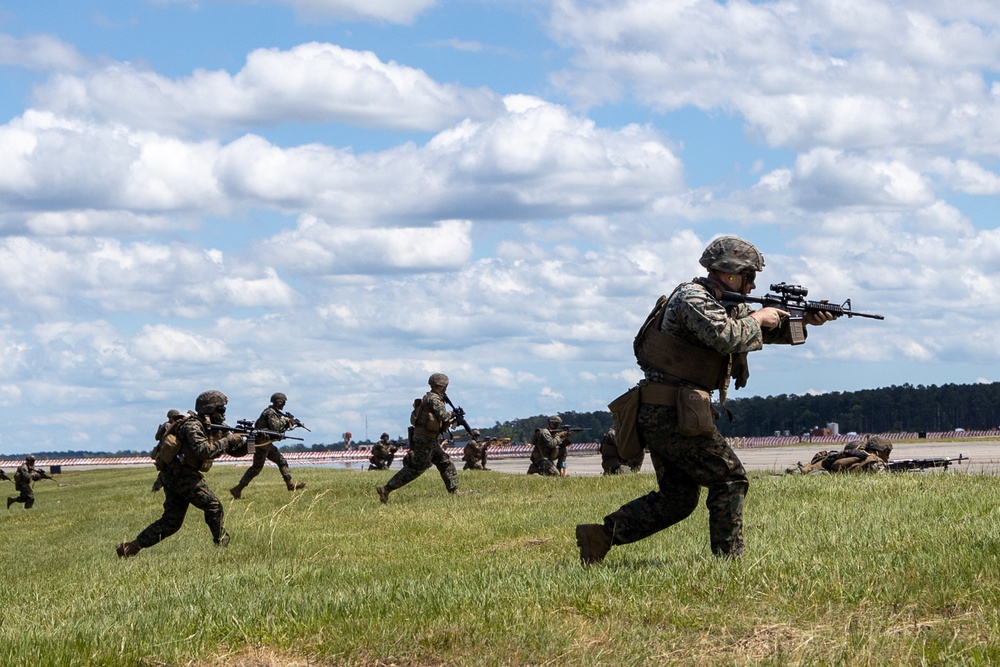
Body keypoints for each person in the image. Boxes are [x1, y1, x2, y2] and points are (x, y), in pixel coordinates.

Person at [576, 236, 836, 564]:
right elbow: (728, 336)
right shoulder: (692, 298)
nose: (751, 283)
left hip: (671, 411)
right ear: (729, 273)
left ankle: (599, 536)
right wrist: (759, 317)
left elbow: (764, 333)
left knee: (677, 499)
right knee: (729, 478)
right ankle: (729, 563)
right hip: (672, 412)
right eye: (748, 276)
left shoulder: (721, 303)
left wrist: (803, 319)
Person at [116, 390, 248, 558]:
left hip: (177, 474)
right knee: (212, 505)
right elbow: (203, 451)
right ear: (210, 409)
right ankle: (222, 544)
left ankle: (130, 548)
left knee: (172, 522)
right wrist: (228, 440)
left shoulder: (215, 428)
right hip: (180, 473)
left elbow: (235, 452)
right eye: (221, 410)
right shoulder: (193, 425)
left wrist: (254, 442)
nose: (223, 414)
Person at [376, 373, 460, 503]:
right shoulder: (434, 399)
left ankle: (454, 491)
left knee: (445, 462)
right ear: (441, 386)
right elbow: (443, 415)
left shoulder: (429, 398)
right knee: (416, 468)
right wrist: (452, 414)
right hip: (425, 438)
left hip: (428, 438)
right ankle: (386, 489)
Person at [230, 392, 306, 499]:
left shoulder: (275, 413)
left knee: (282, 461)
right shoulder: (270, 413)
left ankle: (290, 485)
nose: (284, 405)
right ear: (279, 402)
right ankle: (237, 489)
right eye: (283, 403)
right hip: (262, 443)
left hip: (266, 443)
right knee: (256, 468)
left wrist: (289, 423)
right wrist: (287, 421)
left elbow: (277, 430)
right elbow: (275, 427)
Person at [786, 435, 893, 474]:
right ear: (879, 452)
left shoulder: (857, 455)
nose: (888, 457)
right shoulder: (874, 461)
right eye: (887, 453)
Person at [151, 409, 184, 492]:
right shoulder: (167, 425)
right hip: (167, 452)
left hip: (172, 451)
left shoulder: (175, 425)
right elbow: (157, 437)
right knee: (167, 471)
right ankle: (156, 487)